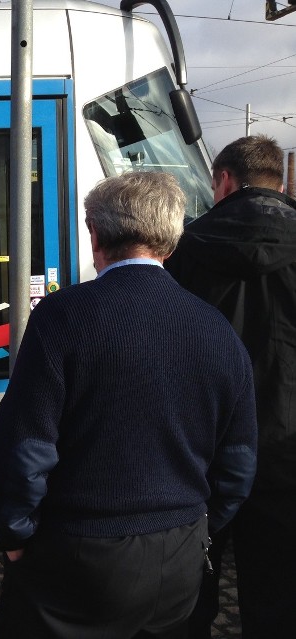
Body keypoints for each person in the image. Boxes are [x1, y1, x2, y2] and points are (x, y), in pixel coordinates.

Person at [0, 171, 258, 639]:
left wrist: (13, 533)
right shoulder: (216, 329)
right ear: (171, 242)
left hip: (79, 552)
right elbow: (238, 464)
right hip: (180, 558)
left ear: (95, 234)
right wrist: (199, 530)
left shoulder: (62, 317)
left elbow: (24, 446)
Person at [165, 135, 296, 639]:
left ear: (222, 180)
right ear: (278, 182)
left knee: (192, 589)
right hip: (288, 448)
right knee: (279, 591)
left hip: (204, 447)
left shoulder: (188, 246)